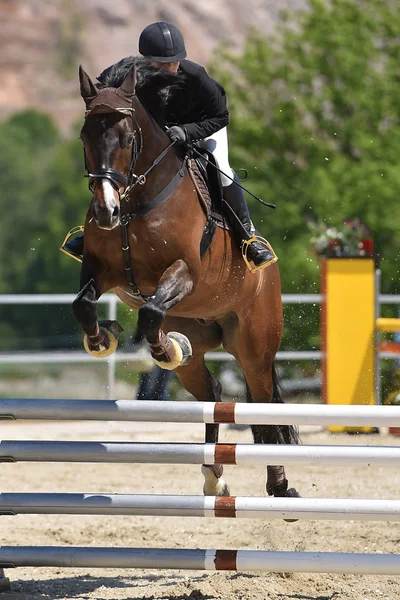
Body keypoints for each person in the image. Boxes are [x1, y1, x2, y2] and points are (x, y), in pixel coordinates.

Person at [63, 22, 274, 268]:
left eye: (174, 61)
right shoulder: (125, 73)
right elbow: (105, 99)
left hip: (202, 127)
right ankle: (93, 234)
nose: (169, 68)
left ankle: (248, 238)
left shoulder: (196, 77)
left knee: (223, 170)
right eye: (161, 63)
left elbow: (220, 117)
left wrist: (187, 132)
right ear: (144, 59)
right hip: (159, 136)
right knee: (115, 168)